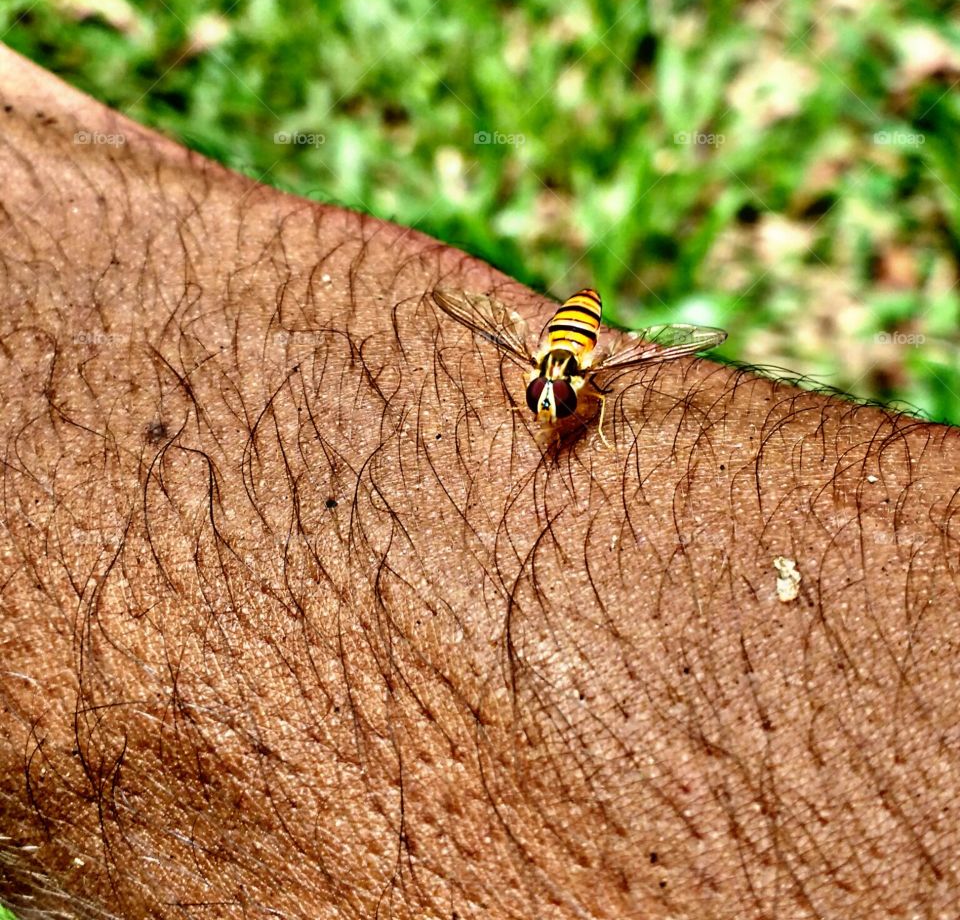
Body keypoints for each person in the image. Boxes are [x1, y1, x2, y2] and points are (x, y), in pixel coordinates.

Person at [1, 44, 957, 918]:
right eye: (545, 398)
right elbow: (518, 359)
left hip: (582, 331)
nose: (548, 410)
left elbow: (609, 384)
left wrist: (584, 393)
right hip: (559, 329)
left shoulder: (595, 381)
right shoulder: (537, 375)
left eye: (555, 399)